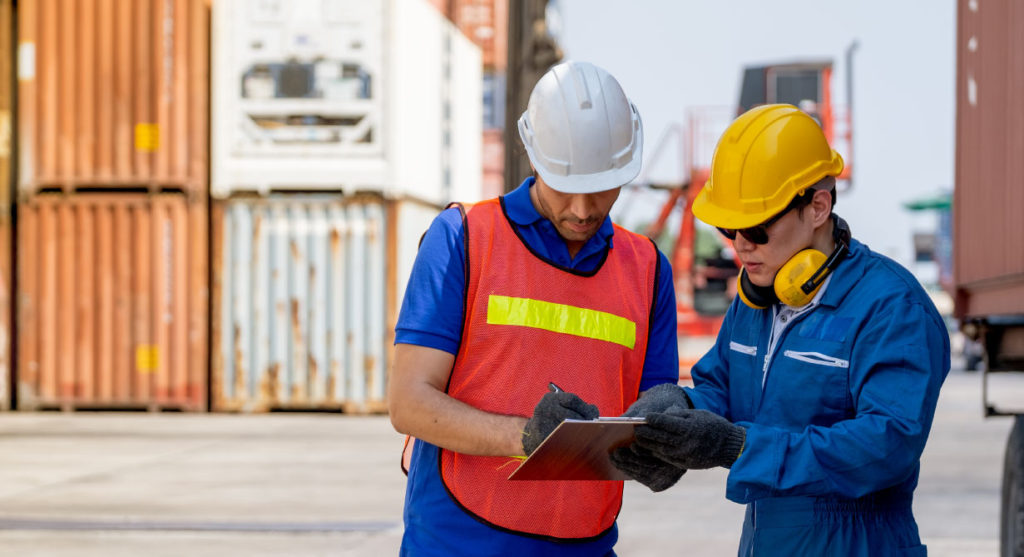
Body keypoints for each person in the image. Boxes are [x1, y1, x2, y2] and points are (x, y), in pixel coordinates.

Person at [610, 103, 951, 556]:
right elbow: (723, 388)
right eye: (730, 228)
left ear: (818, 206)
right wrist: (682, 406)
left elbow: (887, 443)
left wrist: (737, 446)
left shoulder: (891, 307)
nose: (741, 245)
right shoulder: (757, 298)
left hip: (859, 544)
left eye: (756, 226)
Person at [387, 60, 680, 556]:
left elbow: (655, 407)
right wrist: (527, 436)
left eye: (603, 187)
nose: (584, 210)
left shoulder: (648, 268)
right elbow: (410, 402)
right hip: (457, 543)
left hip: (586, 545)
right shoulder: (463, 238)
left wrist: (664, 445)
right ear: (532, 155)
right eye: (566, 185)